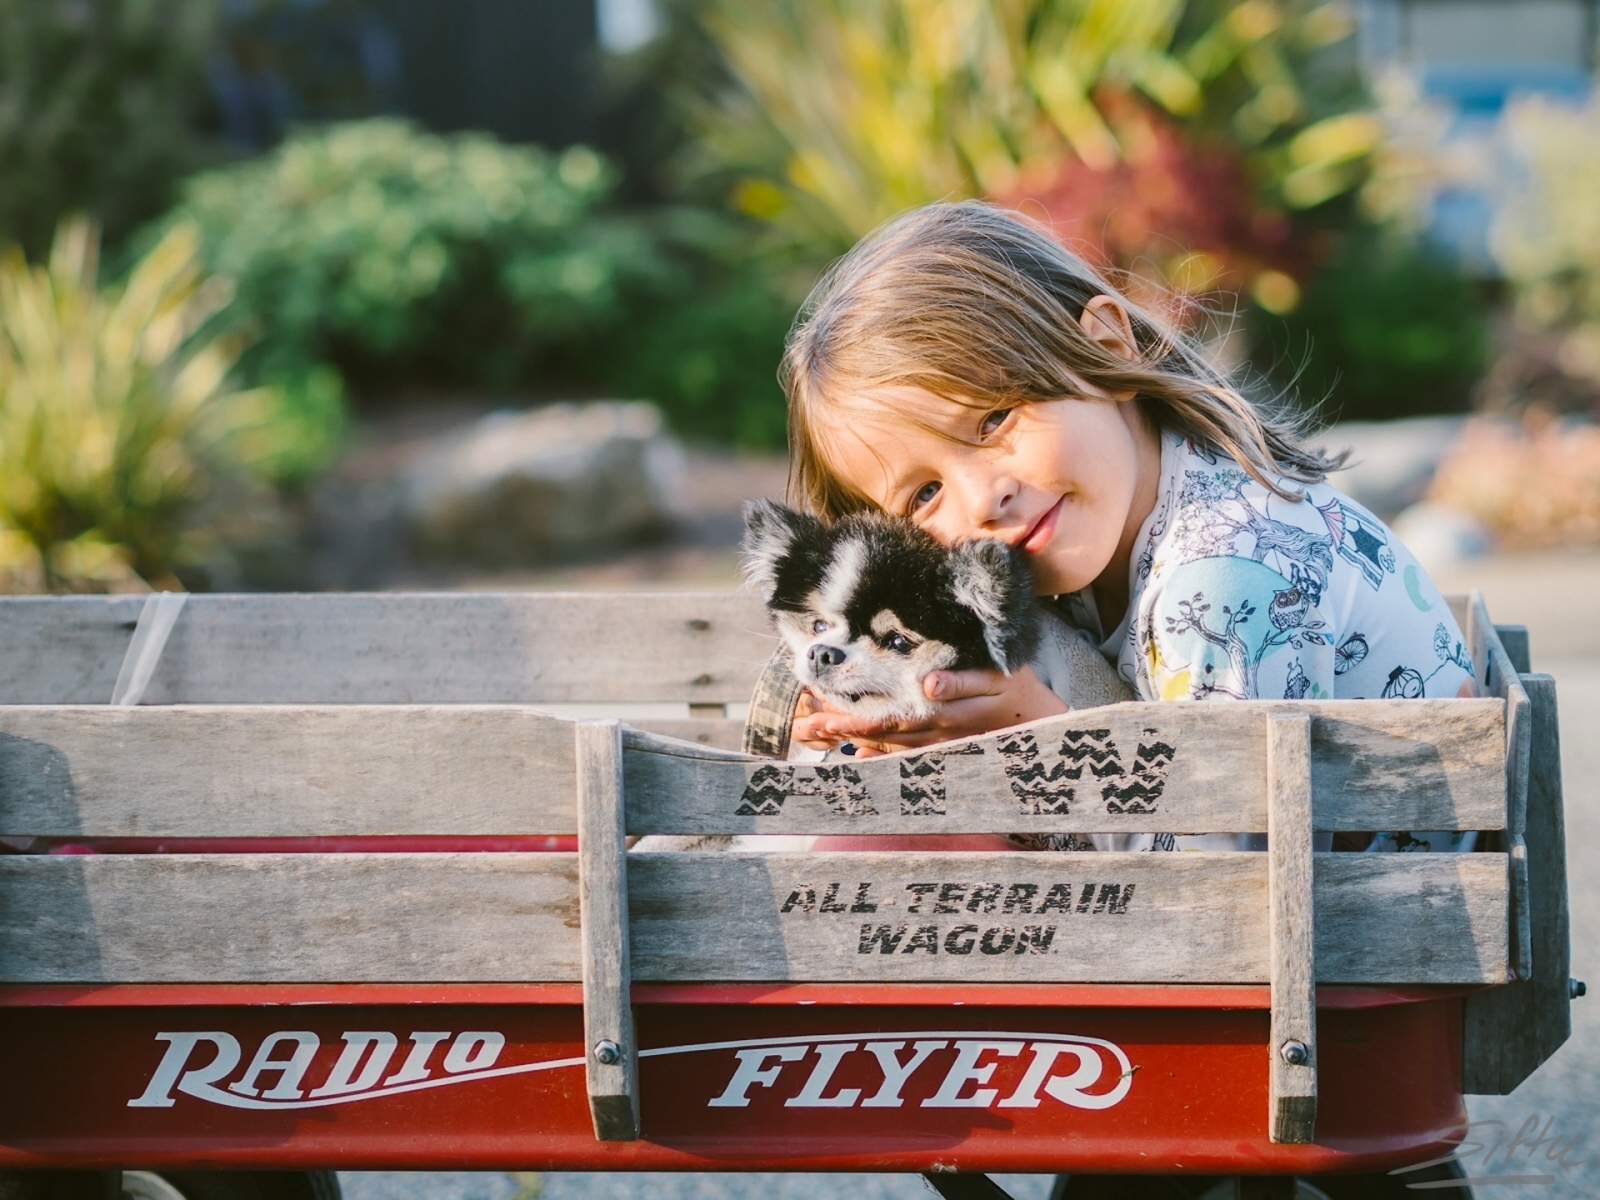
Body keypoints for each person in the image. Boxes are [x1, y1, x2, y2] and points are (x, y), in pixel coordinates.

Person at [780, 200, 1478, 855]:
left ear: (1110, 346)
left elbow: (1211, 885)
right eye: (925, 494)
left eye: (994, 419)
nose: (983, 499)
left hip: (1375, 932)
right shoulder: (1092, 540)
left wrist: (1032, 737)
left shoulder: (1219, 582)